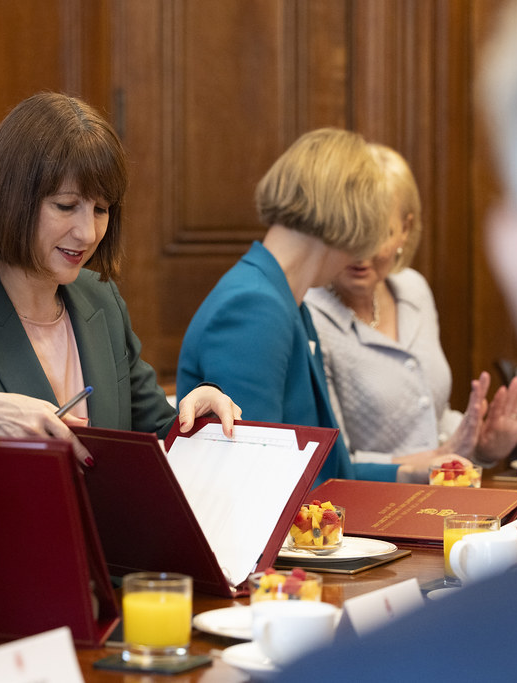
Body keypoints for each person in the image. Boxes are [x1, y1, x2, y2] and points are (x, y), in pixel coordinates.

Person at [278, 0, 517, 678]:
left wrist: (475, 444)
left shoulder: (396, 665)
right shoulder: (304, 311)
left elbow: (426, 414)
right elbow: (328, 456)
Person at [0, 92, 239, 452]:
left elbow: (153, 431)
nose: (87, 233)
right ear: (12, 199)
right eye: (65, 206)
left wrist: (197, 413)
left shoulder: (100, 298)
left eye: (101, 210)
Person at [177, 127, 480, 485]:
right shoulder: (254, 306)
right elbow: (253, 482)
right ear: (350, 222)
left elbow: (328, 471)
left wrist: (414, 471)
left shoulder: (286, 299)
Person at [304, 143, 517, 470]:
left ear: (405, 230)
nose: (361, 252)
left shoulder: (413, 290)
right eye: (351, 230)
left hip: (443, 495)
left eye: (378, 232)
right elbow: (336, 462)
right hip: (371, 508)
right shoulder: (311, 316)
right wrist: (438, 458)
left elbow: (433, 422)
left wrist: (481, 444)